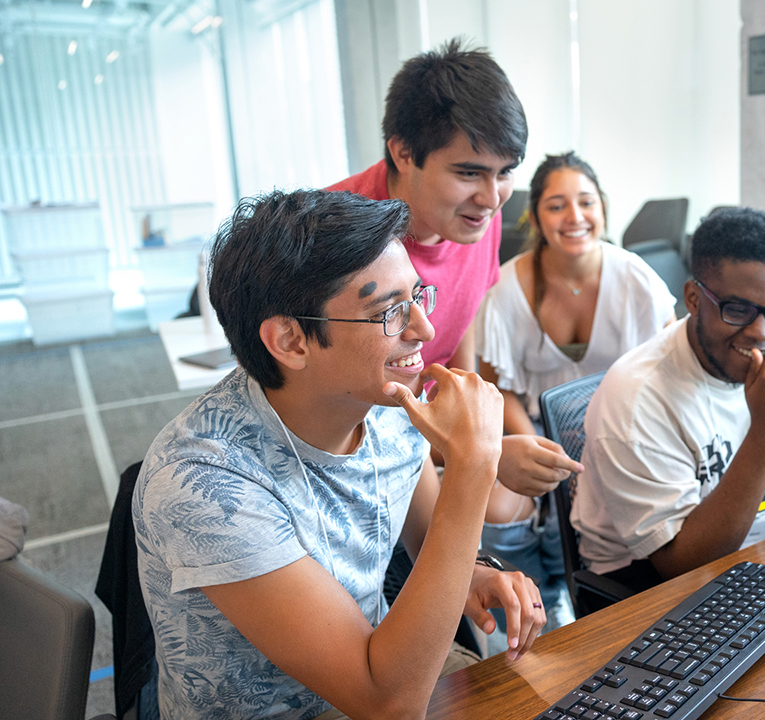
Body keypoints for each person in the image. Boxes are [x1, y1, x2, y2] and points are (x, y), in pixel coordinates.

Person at [133, 190, 545, 720]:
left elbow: (429, 541)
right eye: (390, 312)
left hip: (385, 671)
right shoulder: (203, 484)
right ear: (290, 341)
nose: (425, 329)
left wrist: (479, 573)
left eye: (419, 296)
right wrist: (474, 465)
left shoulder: (389, 403)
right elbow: (387, 704)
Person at [327, 38, 581, 500]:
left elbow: (462, 318)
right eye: (468, 173)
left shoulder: (478, 216)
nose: (491, 198)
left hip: (427, 433)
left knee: (526, 503)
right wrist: (481, 453)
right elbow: (341, 413)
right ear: (403, 153)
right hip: (355, 450)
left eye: (504, 172)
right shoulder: (337, 235)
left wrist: (477, 424)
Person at [571, 207, 765, 599]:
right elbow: (684, 565)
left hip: (762, 561)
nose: (761, 333)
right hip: (644, 584)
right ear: (694, 298)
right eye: (739, 309)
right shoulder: (638, 396)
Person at [474, 152, 676, 625]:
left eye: (586, 202)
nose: (575, 217)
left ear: (603, 208)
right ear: (536, 216)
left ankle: (583, 594)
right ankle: (531, 607)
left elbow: (670, 372)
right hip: (537, 429)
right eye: (557, 205)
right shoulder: (505, 288)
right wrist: (536, 445)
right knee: (496, 507)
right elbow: (494, 386)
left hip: (624, 431)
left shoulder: (638, 279)